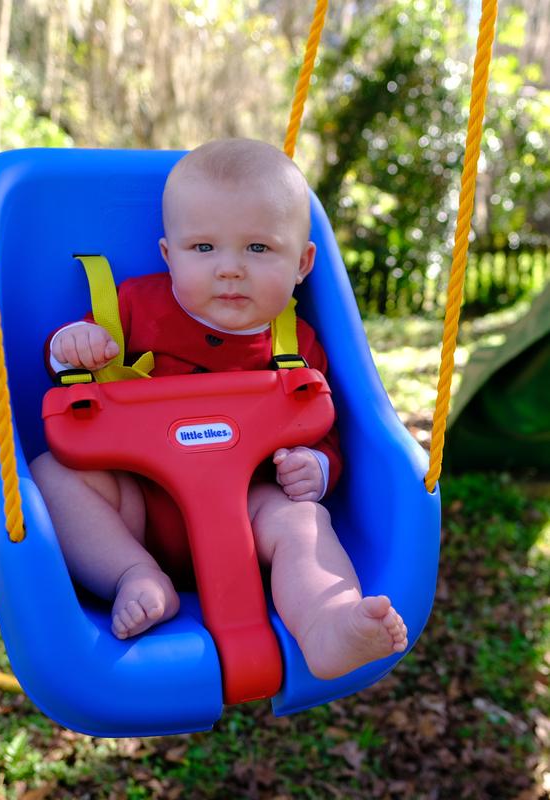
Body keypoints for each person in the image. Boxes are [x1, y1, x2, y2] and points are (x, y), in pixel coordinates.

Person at [30, 138, 407, 680]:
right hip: (140, 508)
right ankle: (134, 576)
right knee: (53, 475)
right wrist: (71, 344)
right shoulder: (132, 307)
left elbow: (326, 428)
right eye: (203, 249)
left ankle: (326, 620)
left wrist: (316, 468)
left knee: (303, 521)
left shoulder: (296, 344)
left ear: (301, 264)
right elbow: (70, 379)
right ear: (169, 255)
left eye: (258, 249)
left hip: (249, 518)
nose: (229, 269)